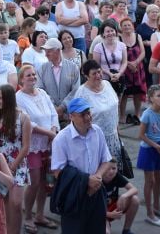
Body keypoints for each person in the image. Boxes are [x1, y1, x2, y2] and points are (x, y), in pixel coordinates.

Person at [50, 97, 112, 233]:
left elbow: (106, 160)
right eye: (82, 114)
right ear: (71, 116)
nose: (88, 117)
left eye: (88, 113)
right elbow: (58, 171)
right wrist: (86, 180)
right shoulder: (61, 139)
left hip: (96, 191)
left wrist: (97, 178)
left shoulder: (97, 132)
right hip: (74, 195)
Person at [0, 85, 32, 233]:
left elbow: (26, 146)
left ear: (9, 99)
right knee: (4, 202)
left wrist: (12, 166)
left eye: (0, 97)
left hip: (18, 163)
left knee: (16, 203)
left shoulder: (23, 117)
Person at [76, 60, 121, 169]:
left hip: (113, 137)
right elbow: (77, 119)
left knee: (114, 173)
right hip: (95, 140)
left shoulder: (107, 84)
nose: (98, 75)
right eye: (94, 73)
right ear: (86, 76)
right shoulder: (81, 93)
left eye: (99, 72)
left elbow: (115, 108)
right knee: (100, 172)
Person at [137, 85, 160, 227]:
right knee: (149, 181)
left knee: (159, 178)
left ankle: (157, 206)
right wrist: (156, 146)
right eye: (158, 95)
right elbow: (141, 135)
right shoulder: (147, 114)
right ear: (151, 98)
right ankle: (150, 213)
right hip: (149, 149)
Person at [102, 158, 139, 234]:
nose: (111, 171)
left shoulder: (116, 176)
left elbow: (134, 189)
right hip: (100, 212)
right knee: (106, 232)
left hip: (112, 208)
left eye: (114, 168)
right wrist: (110, 214)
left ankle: (126, 230)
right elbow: (91, 209)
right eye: (108, 168)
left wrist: (124, 196)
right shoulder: (97, 181)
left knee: (134, 199)